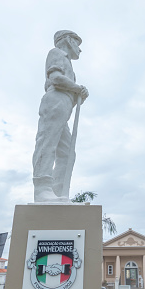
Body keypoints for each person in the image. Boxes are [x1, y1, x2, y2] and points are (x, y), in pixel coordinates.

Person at [32, 30, 89, 202]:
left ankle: (57, 192)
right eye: (77, 43)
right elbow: (56, 78)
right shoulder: (57, 53)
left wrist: (80, 95)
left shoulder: (69, 64)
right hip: (55, 99)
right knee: (47, 142)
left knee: (67, 153)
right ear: (67, 40)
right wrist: (77, 88)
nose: (79, 49)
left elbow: (71, 95)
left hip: (64, 104)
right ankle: (42, 189)